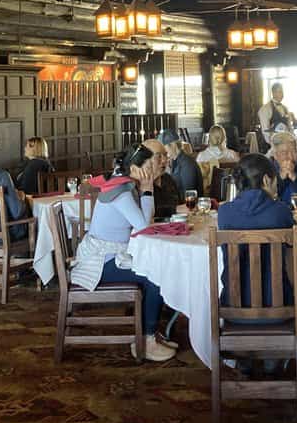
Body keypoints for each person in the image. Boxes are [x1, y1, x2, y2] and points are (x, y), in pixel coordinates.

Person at [71, 143, 175, 362]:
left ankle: (150, 332)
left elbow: (144, 221)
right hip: (100, 261)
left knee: (157, 268)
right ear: (137, 168)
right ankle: (145, 341)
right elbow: (144, 225)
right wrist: (148, 188)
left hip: (111, 254)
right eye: (152, 162)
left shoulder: (125, 185)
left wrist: (147, 189)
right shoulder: (120, 191)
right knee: (155, 275)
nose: (156, 166)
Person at [217, 153, 295, 307]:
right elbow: (295, 241)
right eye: (275, 181)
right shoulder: (281, 212)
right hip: (279, 307)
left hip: (232, 307)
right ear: (266, 180)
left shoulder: (224, 212)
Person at [143, 138, 180, 221]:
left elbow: (180, 204)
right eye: (158, 156)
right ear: (146, 160)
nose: (164, 160)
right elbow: (148, 213)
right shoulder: (141, 183)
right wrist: (175, 210)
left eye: (165, 155)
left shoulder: (168, 179)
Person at [159, 129, 201, 196]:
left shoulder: (187, 164)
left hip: (189, 204)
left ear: (173, 145)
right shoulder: (175, 161)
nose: (163, 153)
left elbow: (188, 194)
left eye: (164, 149)